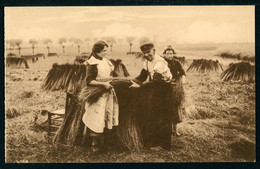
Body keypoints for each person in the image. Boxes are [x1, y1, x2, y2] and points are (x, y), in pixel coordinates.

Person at [82, 41, 119, 153]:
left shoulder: (105, 61)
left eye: (106, 50)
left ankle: (104, 144)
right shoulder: (92, 63)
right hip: (97, 95)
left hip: (107, 92)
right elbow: (89, 81)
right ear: (97, 51)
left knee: (106, 116)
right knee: (96, 118)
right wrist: (103, 84)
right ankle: (95, 145)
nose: (106, 52)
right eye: (104, 51)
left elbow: (109, 74)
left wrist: (111, 79)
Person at [162, 45, 186, 136]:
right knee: (165, 108)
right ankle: (166, 130)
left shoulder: (177, 63)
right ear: (164, 54)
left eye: (171, 53)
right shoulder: (162, 63)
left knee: (175, 107)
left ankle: (175, 130)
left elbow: (183, 73)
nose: (169, 55)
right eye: (167, 53)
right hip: (164, 87)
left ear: (173, 54)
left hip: (175, 88)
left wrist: (182, 82)